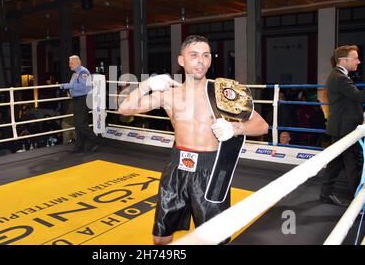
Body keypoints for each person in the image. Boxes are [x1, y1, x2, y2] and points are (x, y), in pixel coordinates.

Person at [118, 35, 269, 245]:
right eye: (194, 55)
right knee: (160, 238)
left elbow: (262, 125)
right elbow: (124, 109)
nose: (201, 61)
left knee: (214, 239)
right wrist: (146, 85)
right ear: (181, 60)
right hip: (177, 168)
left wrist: (236, 128)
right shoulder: (169, 95)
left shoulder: (223, 93)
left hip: (211, 171)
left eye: (206, 55)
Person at [321, 45, 364, 206]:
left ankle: (326, 193)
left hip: (342, 127)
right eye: (355, 58)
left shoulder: (339, 76)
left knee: (336, 162)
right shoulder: (339, 77)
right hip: (345, 128)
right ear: (343, 60)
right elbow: (358, 97)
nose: (358, 62)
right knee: (353, 164)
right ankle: (359, 202)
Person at [59, 55, 100, 153]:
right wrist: (70, 87)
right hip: (77, 100)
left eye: (71, 63)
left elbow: (83, 86)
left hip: (83, 99)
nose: (69, 65)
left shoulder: (83, 72)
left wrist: (67, 86)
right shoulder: (76, 74)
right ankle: (79, 146)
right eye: (69, 63)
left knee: (81, 124)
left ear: (77, 62)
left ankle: (95, 141)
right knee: (78, 124)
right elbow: (75, 86)